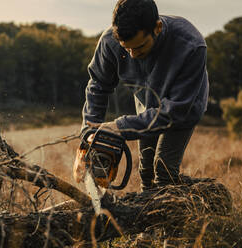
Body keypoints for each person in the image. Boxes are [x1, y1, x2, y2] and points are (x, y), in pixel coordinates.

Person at [79, 0, 209, 192]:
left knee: (164, 170)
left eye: (139, 47)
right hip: (146, 109)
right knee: (146, 171)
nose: (131, 55)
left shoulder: (191, 46)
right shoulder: (109, 41)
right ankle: (147, 215)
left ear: (157, 28)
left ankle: (184, 208)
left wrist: (119, 127)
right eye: (126, 48)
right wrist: (88, 134)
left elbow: (172, 113)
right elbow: (98, 85)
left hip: (182, 108)